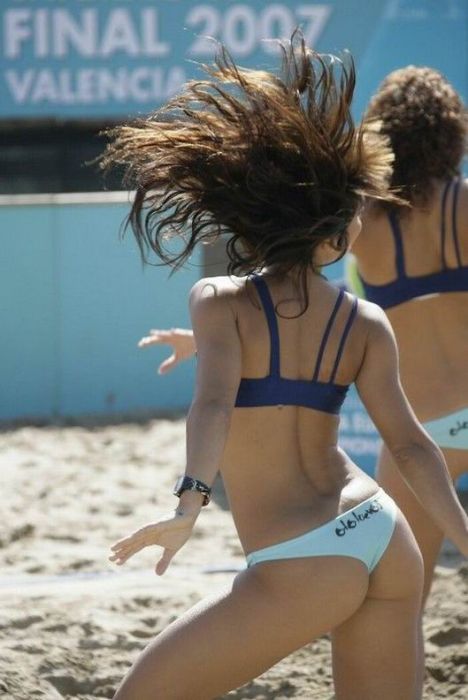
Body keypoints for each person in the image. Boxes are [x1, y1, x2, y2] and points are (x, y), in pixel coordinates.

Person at [103, 37, 468, 700]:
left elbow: (213, 405)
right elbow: (412, 447)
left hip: (305, 561)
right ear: (335, 235)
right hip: (382, 532)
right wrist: (464, 539)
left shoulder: (219, 303)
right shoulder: (365, 320)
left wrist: (189, 504)